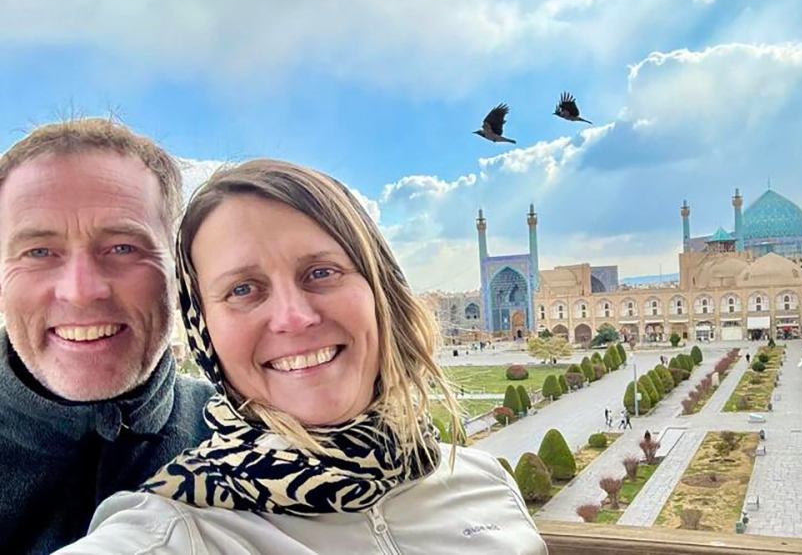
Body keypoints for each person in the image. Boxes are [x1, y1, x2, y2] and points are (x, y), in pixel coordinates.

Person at [57, 159, 547, 554]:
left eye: (321, 272)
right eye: (243, 289)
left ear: (381, 291)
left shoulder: (483, 484)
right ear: (204, 329)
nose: (294, 318)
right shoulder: (178, 532)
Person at [0, 118, 214, 554]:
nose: (80, 291)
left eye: (123, 247)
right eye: (39, 251)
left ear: (179, 273)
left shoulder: (254, 439)